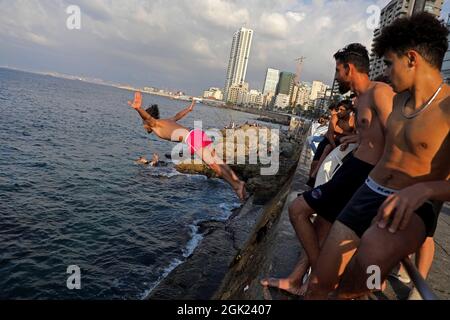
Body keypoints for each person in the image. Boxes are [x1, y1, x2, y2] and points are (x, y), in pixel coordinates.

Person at [306, 13, 450, 300]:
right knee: (319, 285)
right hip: (368, 191)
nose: (385, 72)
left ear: (411, 58)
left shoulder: (447, 107)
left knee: (359, 277)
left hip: (410, 203)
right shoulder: (398, 100)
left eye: (388, 62)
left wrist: (424, 189)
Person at [261, 43, 395, 296]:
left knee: (297, 210)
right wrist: (357, 139)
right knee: (322, 225)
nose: (336, 76)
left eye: (338, 70)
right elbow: (373, 134)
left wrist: (385, 183)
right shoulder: (361, 98)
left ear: (349, 68)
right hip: (352, 167)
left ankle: (320, 274)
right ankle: (296, 279)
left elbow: (396, 136)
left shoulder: (380, 92)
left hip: (364, 174)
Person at [128, 92, 246, 201]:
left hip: (192, 138)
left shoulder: (155, 124)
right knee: (218, 161)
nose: (144, 126)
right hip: (197, 133)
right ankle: (237, 181)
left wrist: (138, 108)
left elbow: (147, 118)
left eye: (143, 124)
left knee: (214, 165)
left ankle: (236, 186)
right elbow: (177, 116)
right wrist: (188, 109)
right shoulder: (166, 121)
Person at [307, 100, 356, 187]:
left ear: (349, 111)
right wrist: (334, 145)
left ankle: (317, 181)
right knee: (315, 163)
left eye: (342, 110)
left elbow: (355, 135)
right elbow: (330, 133)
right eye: (338, 109)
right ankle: (310, 181)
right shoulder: (335, 117)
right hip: (328, 140)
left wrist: (339, 131)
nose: (339, 112)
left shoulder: (353, 122)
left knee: (330, 165)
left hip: (341, 144)